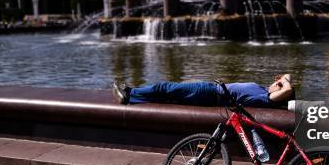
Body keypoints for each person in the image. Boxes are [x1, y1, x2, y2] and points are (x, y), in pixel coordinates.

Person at [112, 74, 294, 108]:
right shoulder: (264, 89)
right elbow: (288, 75)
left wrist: (284, 84)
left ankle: (129, 93)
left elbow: (289, 89)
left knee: (165, 87)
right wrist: (284, 79)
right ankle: (132, 97)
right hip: (209, 89)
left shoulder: (267, 97)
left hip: (210, 93)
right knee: (169, 95)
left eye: (278, 84)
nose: (275, 82)